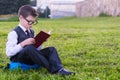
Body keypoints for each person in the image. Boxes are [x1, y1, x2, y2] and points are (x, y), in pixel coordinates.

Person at [6, 5, 75, 76]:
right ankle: (53, 70)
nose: (31, 25)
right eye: (29, 22)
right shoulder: (14, 33)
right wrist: (23, 43)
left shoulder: (31, 32)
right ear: (21, 18)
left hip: (31, 57)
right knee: (29, 48)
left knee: (51, 49)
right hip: (19, 59)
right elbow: (9, 52)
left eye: (33, 22)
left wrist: (40, 42)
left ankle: (60, 69)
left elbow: (36, 51)